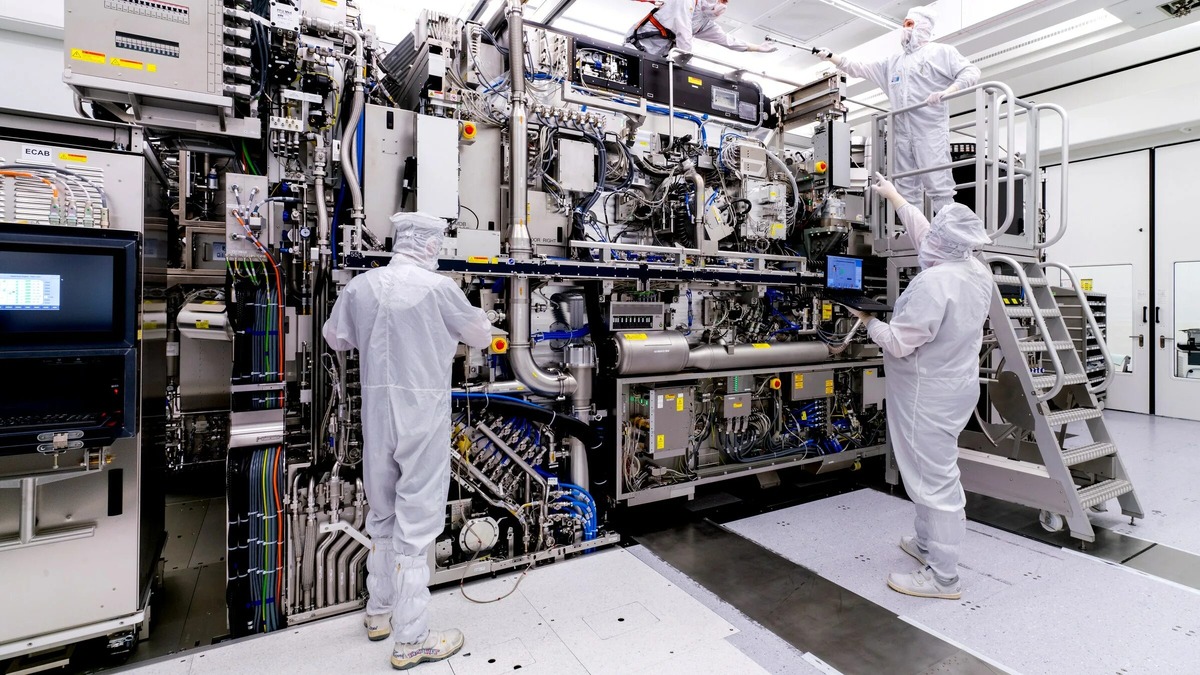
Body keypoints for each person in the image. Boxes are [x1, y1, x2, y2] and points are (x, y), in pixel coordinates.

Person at [322, 212, 493, 669]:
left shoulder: (362, 287)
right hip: (421, 416)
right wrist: (484, 316)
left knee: (382, 513)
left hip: (377, 415)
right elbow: (480, 335)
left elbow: (335, 337)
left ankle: (378, 612)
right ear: (431, 245)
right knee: (416, 527)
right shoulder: (439, 289)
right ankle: (412, 640)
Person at [845, 174, 993, 600]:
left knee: (935, 481)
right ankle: (926, 544)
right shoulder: (975, 270)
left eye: (935, 235)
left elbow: (898, 342)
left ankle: (944, 577)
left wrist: (868, 320)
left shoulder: (933, 283)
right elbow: (927, 234)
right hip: (955, 386)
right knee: (929, 472)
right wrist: (894, 196)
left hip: (925, 396)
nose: (928, 239)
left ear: (945, 243)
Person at [817, 6, 979, 213]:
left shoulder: (941, 52)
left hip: (930, 131)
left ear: (923, 27)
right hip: (902, 134)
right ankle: (913, 230)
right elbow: (860, 68)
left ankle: (949, 228)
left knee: (939, 186)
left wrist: (948, 91)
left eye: (910, 24)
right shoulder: (894, 62)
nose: (905, 29)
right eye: (904, 25)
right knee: (905, 190)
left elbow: (971, 72)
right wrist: (833, 57)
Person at [625, 0, 778, 59]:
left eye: (725, 2)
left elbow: (727, 40)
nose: (723, 5)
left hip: (655, 57)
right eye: (722, 0)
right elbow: (683, 33)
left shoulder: (704, 21)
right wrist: (686, 65)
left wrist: (757, 48)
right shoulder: (686, 2)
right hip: (638, 46)